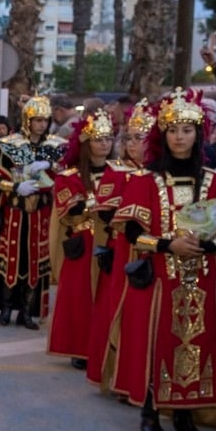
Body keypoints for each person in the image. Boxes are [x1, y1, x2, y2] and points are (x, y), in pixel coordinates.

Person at [109, 89, 216, 431]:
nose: (180, 137)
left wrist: (209, 246)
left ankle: (186, 414)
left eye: (187, 130)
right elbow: (132, 233)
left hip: (202, 279)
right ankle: (151, 410)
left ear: (198, 134)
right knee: (156, 344)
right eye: (173, 130)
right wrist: (169, 245)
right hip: (159, 280)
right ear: (163, 135)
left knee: (197, 344)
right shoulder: (145, 180)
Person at [0, 94, 64, 328]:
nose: (42, 125)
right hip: (14, 212)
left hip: (39, 214)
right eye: (37, 120)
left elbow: (66, 172)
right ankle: (6, 308)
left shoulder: (54, 147)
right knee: (12, 260)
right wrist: (15, 187)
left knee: (34, 262)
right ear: (28, 120)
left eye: (45, 120)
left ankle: (26, 311)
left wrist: (50, 165)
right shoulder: (9, 144)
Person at [86, 103, 155, 388]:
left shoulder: (160, 174)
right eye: (128, 138)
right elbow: (105, 213)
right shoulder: (115, 171)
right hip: (123, 250)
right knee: (119, 311)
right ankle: (119, 375)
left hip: (158, 254)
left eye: (140, 138)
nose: (132, 144)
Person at [47, 109, 116, 369]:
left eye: (108, 139)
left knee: (106, 296)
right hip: (84, 243)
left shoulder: (121, 173)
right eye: (98, 139)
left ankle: (105, 347)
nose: (104, 144)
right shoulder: (70, 176)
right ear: (86, 144)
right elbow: (70, 209)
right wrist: (99, 204)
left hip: (110, 242)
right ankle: (80, 348)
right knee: (80, 297)